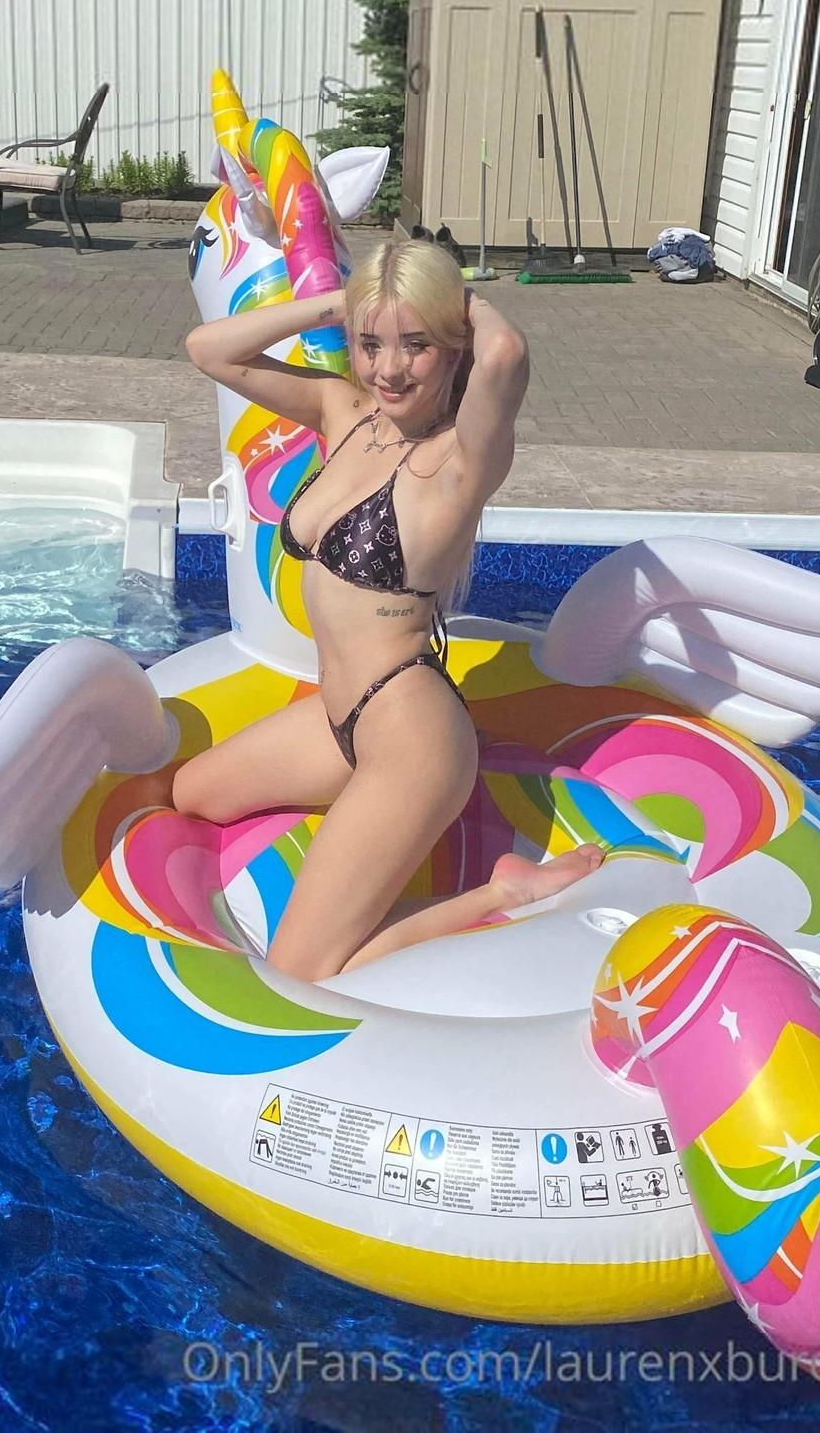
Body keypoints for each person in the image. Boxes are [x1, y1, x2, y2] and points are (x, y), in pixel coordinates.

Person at [174, 239, 603, 980]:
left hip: (413, 740)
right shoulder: (344, 411)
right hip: (339, 718)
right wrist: (339, 303)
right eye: (371, 344)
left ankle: (503, 890)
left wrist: (457, 300)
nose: (390, 369)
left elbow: (505, 352)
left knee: (301, 970)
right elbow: (208, 349)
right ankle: (372, 825)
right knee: (192, 795)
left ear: (453, 346)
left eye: (417, 345)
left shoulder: (459, 460)